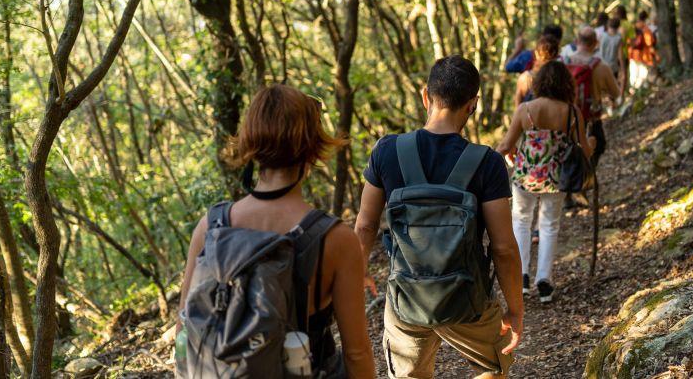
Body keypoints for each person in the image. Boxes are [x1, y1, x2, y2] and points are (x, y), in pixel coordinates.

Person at [177, 85, 376, 378]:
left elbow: (185, 329)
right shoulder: (335, 239)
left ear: (250, 143)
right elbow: (357, 352)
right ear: (312, 149)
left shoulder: (210, 226)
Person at [355, 56, 523, 379]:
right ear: (473, 105)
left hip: (407, 300)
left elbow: (364, 225)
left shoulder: (387, 152)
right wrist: (515, 310)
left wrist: (359, 271)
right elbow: (503, 248)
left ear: (424, 96)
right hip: (468, 301)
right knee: (492, 366)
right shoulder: (487, 163)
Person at [497, 61, 593, 304]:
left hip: (525, 175)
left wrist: (505, 156)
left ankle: (522, 277)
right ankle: (545, 281)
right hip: (557, 177)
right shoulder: (572, 112)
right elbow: (585, 150)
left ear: (539, 83)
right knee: (549, 224)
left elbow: (506, 146)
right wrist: (592, 142)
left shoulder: (525, 109)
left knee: (521, 221)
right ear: (566, 84)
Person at [562, 27, 621, 170]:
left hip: (565, 119)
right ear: (596, 43)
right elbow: (616, 93)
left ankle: (569, 184)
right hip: (591, 120)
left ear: (577, 41)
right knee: (597, 146)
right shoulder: (601, 67)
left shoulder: (563, 63)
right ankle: (585, 179)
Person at [514, 34, 560, 106]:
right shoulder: (561, 78)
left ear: (536, 53)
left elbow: (518, 106)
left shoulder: (525, 78)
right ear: (556, 54)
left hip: (529, 115)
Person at [628, 11, 659, 91]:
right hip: (643, 55)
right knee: (643, 74)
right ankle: (642, 91)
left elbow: (629, 41)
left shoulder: (632, 27)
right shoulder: (646, 29)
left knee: (634, 74)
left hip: (632, 54)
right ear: (646, 18)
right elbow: (649, 43)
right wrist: (655, 55)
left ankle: (634, 91)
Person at [599, 17, 624, 81]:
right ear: (618, 27)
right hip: (613, 68)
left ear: (608, 25)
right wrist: (623, 70)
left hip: (601, 66)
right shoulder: (619, 38)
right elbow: (620, 56)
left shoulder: (602, 36)